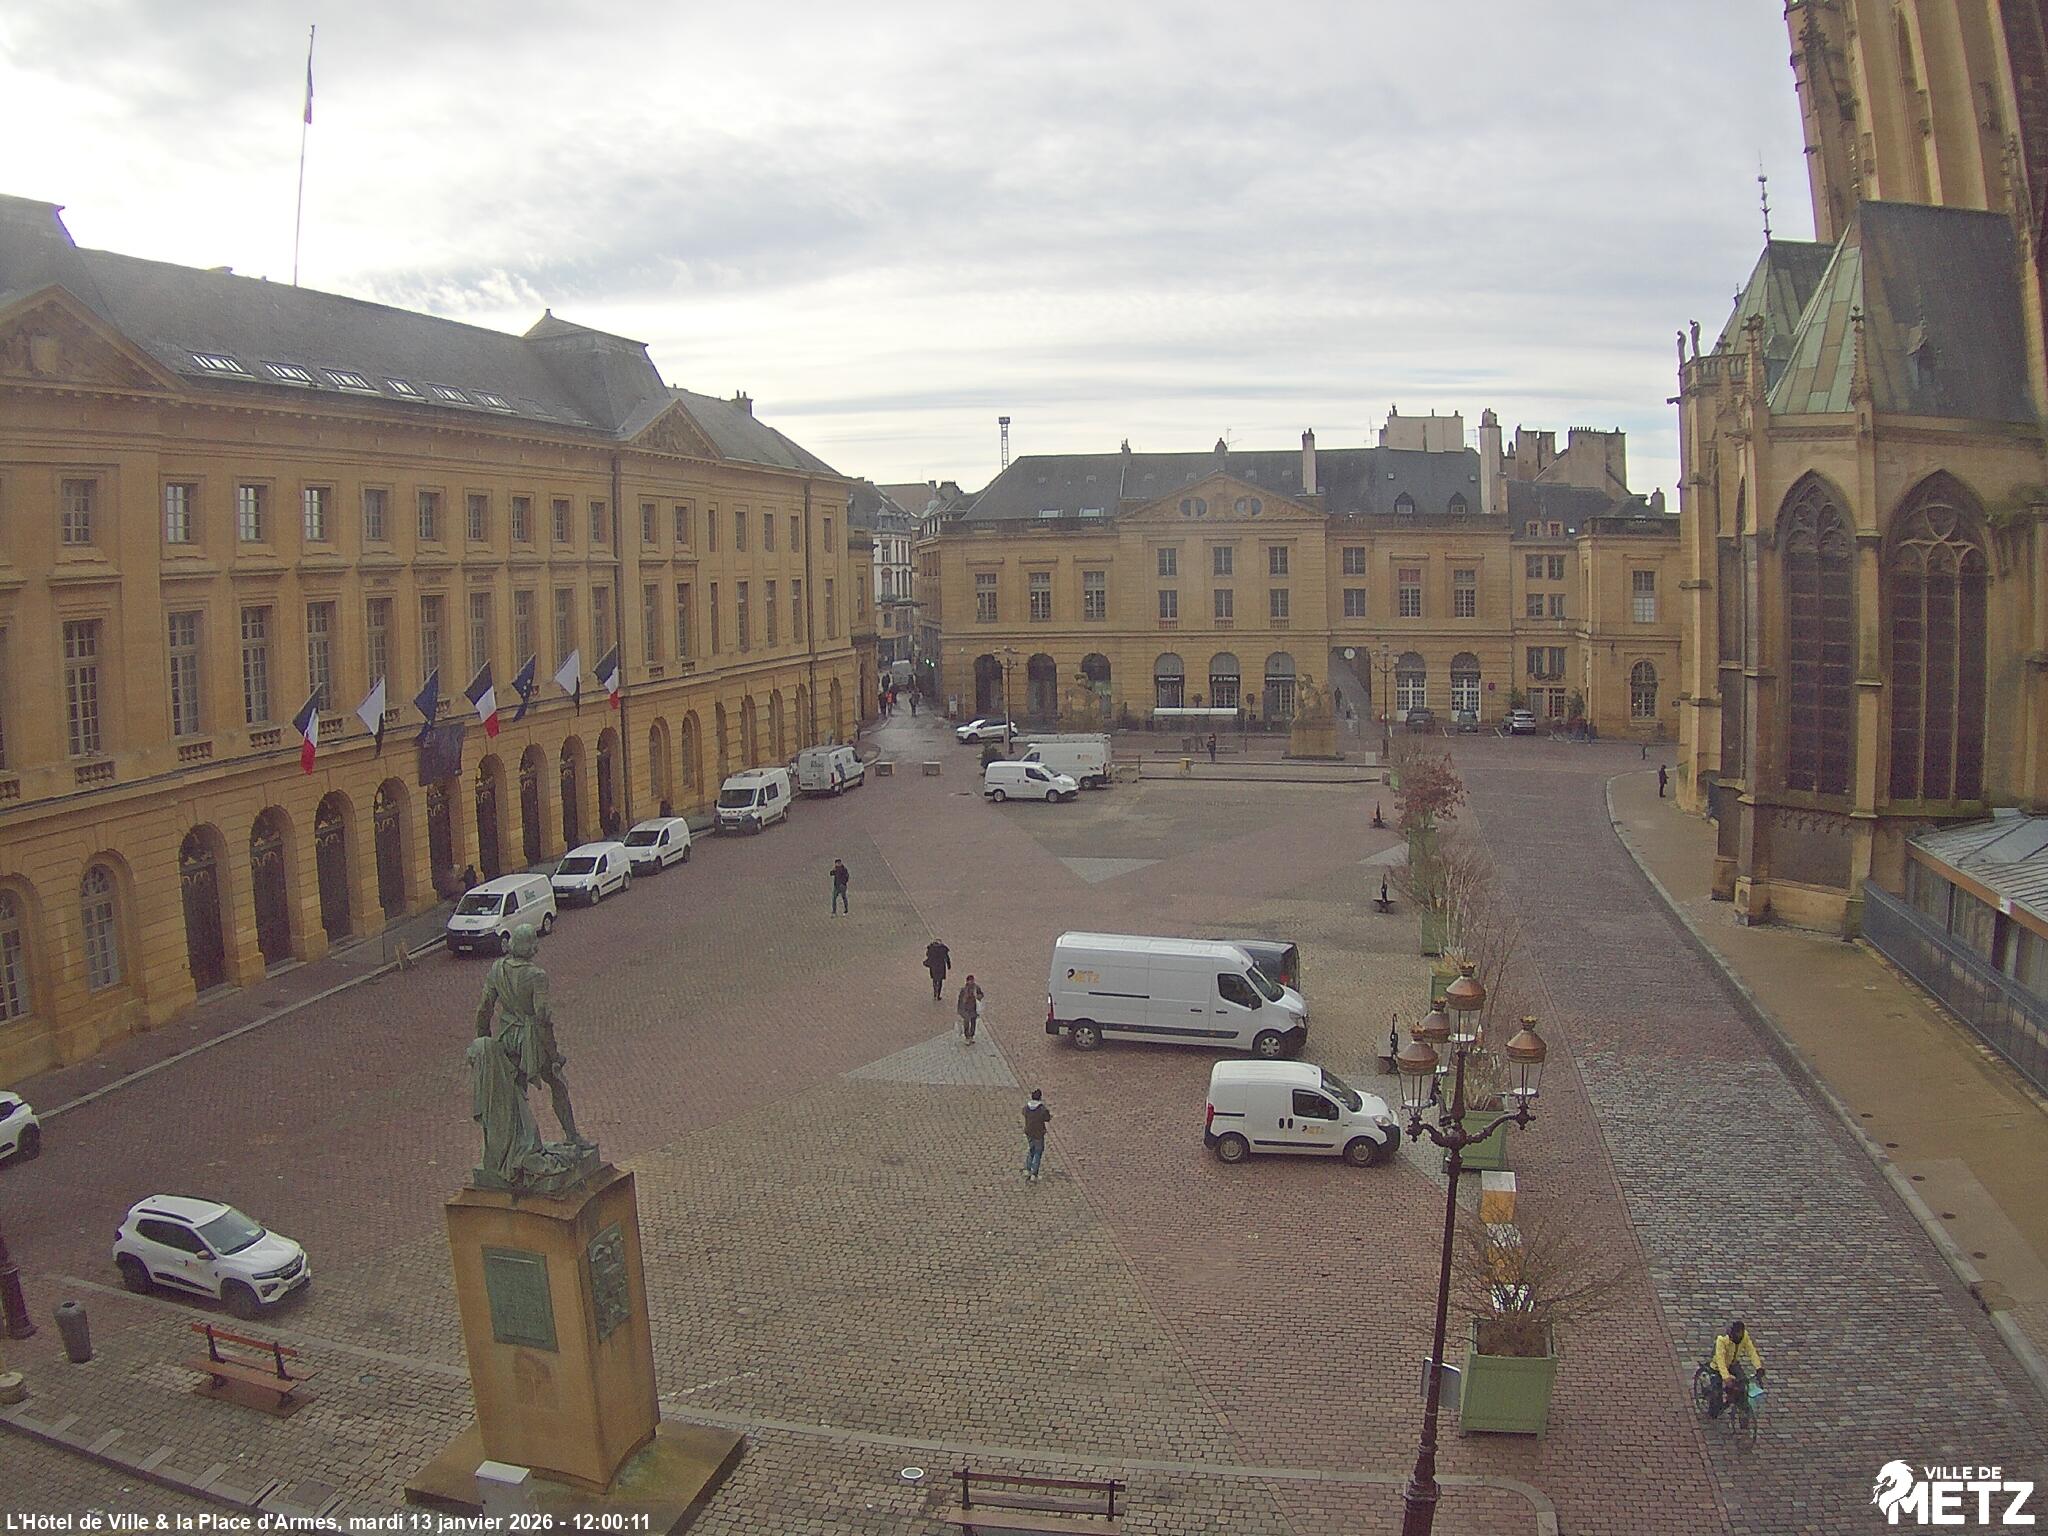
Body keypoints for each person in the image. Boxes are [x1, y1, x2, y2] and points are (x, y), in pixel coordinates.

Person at [1707, 1320, 1764, 1418]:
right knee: (1717, 1393)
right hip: (1717, 1366)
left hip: (1732, 1363)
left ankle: (1743, 1411)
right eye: (1738, 1334)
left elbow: (1751, 1351)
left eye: (1741, 1333)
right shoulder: (1722, 1339)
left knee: (1743, 1384)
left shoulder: (1744, 1336)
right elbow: (1720, 1360)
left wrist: (1758, 1367)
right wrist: (1726, 1377)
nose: (1740, 1336)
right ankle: (1713, 1411)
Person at [1022, 1089, 1051, 1181]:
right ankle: (1034, 1173)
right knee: (1038, 1152)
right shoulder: (1042, 1109)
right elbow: (1047, 1118)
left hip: (1029, 1132)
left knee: (1031, 1149)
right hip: (1038, 1133)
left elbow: (1024, 1113)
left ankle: (1027, 1169)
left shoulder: (1026, 1107)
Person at [956, 974, 985, 1042]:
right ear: (967, 981)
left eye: (972, 980)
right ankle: (967, 1036)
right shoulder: (964, 990)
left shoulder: (976, 988)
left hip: (974, 1008)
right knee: (966, 1022)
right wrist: (960, 1010)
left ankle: (971, 1036)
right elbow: (960, 1000)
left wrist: (978, 996)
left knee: (973, 1023)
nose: (971, 982)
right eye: (970, 981)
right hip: (966, 1009)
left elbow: (981, 994)